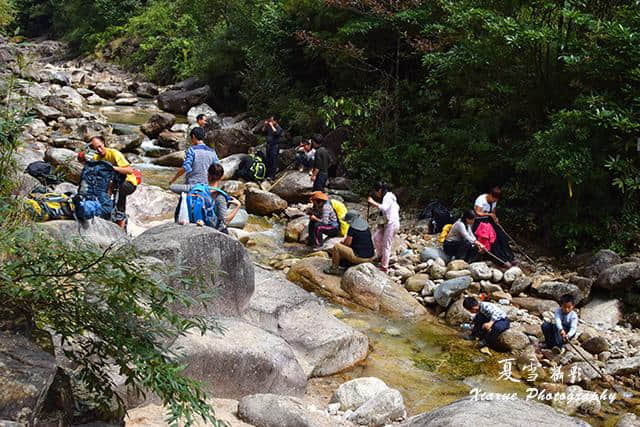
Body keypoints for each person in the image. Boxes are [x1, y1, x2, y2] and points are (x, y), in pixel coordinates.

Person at [88, 136, 137, 229]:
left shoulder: (114, 153)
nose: (99, 150)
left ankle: (121, 228)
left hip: (128, 183)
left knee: (120, 192)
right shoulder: (96, 157)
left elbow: (129, 170)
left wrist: (111, 167)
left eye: (100, 146)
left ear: (104, 144)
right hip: (111, 183)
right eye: (95, 148)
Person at [473, 186, 515, 266]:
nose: (494, 201)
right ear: (490, 195)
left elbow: (493, 212)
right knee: (493, 238)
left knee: (501, 235)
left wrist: (495, 219)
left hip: (489, 221)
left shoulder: (494, 201)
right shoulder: (481, 199)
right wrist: (489, 214)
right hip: (480, 222)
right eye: (494, 199)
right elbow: (478, 212)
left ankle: (510, 257)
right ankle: (502, 260)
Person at [324, 211, 375, 275]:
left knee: (337, 246)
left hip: (360, 258)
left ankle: (334, 269)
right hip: (370, 257)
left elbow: (348, 243)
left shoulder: (352, 228)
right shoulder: (365, 226)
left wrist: (342, 244)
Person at [367, 182, 399, 273]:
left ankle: (384, 267)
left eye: (376, 191)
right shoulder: (388, 197)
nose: (376, 194)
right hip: (386, 223)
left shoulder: (388, 196)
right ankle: (380, 256)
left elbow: (384, 208)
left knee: (386, 245)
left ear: (380, 190)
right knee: (376, 237)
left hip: (391, 223)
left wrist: (373, 202)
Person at [206, 163, 241, 233]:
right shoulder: (220, 197)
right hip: (213, 232)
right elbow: (225, 221)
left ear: (207, 175)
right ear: (221, 177)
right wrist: (238, 206)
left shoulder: (200, 190)